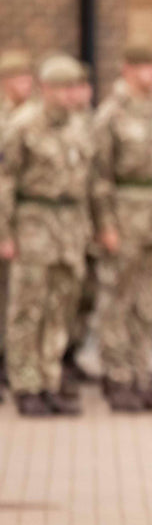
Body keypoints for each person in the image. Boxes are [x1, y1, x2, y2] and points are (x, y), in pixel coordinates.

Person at [0, 54, 97, 417]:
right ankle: (26, 384)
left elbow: (88, 184)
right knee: (28, 308)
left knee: (61, 307)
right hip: (34, 223)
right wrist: (4, 233)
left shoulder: (79, 127)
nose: (70, 94)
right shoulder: (23, 125)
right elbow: (4, 183)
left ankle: (49, 379)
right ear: (45, 89)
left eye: (74, 87)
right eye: (62, 88)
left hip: (69, 227)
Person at [90, 45, 152, 412]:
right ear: (127, 70)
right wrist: (106, 224)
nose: (151, 74)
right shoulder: (111, 115)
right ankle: (117, 376)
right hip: (125, 216)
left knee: (149, 303)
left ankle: (144, 374)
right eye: (143, 67)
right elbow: (99, 178)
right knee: (117, 300)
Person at [0, 49, 34, 392]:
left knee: (19, 297)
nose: (26, 84)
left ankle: (16, 364)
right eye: (19, 78)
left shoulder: (33, 118)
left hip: (17, 217)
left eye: (29, 77)